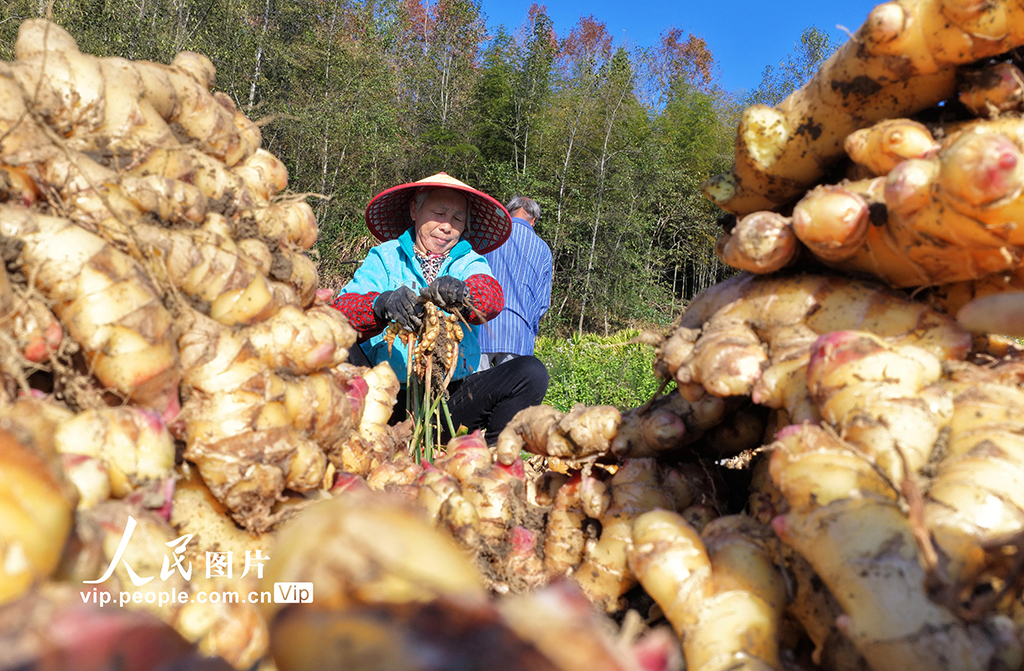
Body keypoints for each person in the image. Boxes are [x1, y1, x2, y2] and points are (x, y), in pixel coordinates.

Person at [332, 172, 549, 442]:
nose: (447, 226)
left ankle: (494, 456)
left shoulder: (469, 260)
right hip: (382, 398)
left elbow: (491, 297)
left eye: (457, 218)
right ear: (415, 209)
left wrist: (466, 294)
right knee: (333, 340)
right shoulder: (385, 257)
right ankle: (346, 434)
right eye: (439, 213)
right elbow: (341, 311)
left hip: (447, 403)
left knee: (530, 373)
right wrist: (381, 303)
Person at [478, 196, 553, 370]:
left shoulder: (490, 237)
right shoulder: (543, 249)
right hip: (518, 334)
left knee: (474, 392)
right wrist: (529, 328)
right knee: (510, 394)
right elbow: (542, 303)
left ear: (508, 213)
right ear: (533, 220)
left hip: (482, 328)